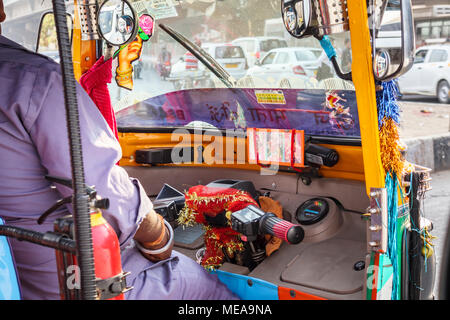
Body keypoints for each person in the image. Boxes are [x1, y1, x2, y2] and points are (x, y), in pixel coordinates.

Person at [0, 0, 237, 300]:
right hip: (70, 284)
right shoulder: (34, 80)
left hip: (19, 280)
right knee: (207, 288)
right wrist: (160, 237)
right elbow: (102, 194)